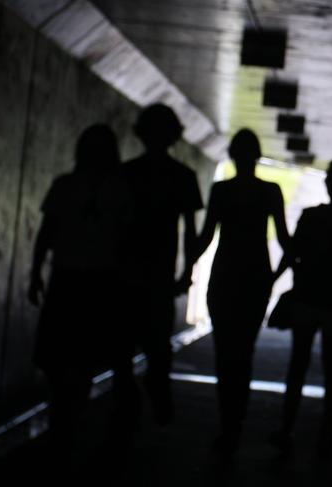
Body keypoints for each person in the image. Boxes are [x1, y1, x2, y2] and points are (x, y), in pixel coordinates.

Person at [28, 123, 123, 470]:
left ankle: (61, 425)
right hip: (95, 283)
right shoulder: (119, 190)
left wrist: (36, 272)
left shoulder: (66, 186)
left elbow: (47, 232)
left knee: (61, 358)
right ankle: (69, 425)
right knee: (80, 361)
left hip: (69, 281)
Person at [193, 128, 291, 455]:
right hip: (255, 279)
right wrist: (276, 276)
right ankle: (237, 420)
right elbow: (285, 241)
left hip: (224, 277)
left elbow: (206, 236)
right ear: (257, 156)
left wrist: (180, 269)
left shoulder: (221, 191)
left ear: (233, 156)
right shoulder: (270, 192)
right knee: (244, 351)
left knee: (224, 351)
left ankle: (227, 422)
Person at [269, 160, 332, 458]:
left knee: (298, 364)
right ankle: (325, 431)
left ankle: (287, 428)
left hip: (308, 299)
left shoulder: (311, 217)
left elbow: (292, 252)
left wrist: (271, 280)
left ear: (328, 185)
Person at [116, 103, 203, 426]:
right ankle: (157, 394)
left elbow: (114, 226)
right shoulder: (183, 177)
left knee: (123, 346)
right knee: (157, 345)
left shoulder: (126, 173)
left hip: (127, 274)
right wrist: (187, 275)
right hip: (159, 277)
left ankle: (128, 405)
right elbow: (191, 234)